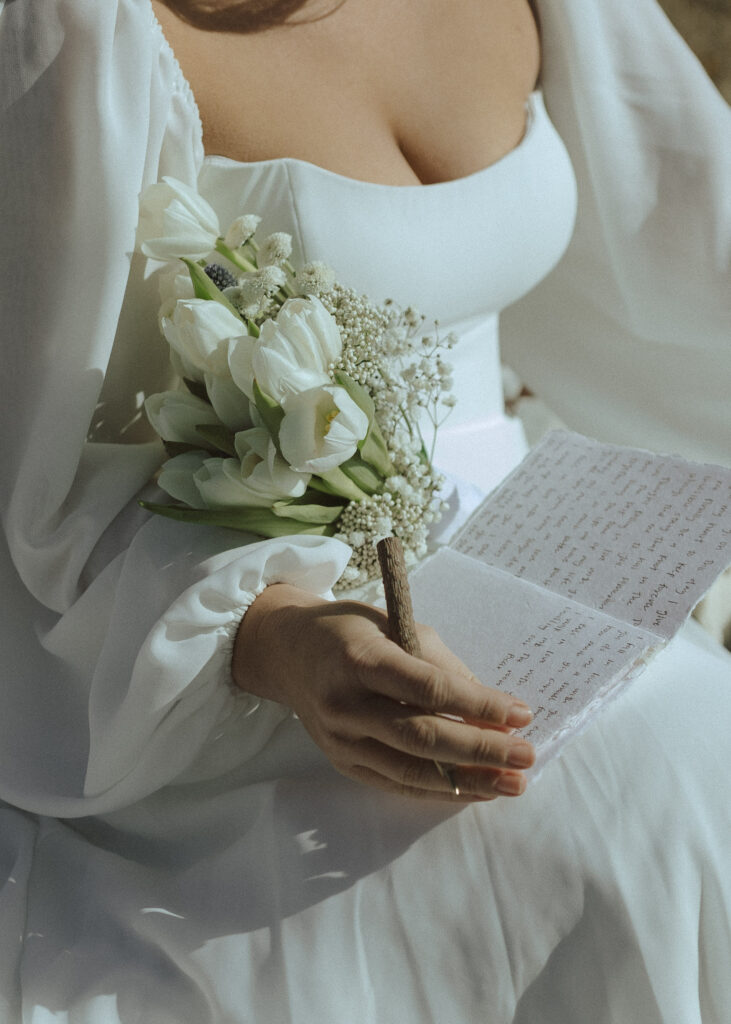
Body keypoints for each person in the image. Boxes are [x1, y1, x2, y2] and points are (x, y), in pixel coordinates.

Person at [0, 1, 729, 1021]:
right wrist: (274, 639)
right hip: (237, 669)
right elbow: (30, 481)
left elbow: (682, 249)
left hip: (557, 555)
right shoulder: (67, 32)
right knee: (664, 793)